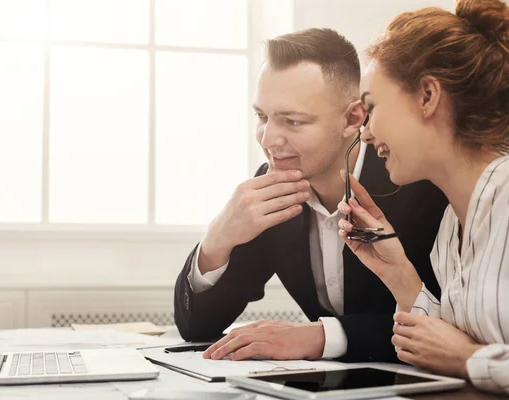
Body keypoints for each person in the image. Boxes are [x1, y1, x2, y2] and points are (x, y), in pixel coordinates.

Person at [173, 28, 448, 363]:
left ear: (352, 118)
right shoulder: (270, 191)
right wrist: (217, 239)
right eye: (262, 117)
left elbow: (445, 324)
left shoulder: (416, 181)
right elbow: (197, 327)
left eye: (292, 121)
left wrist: (322, 336)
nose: (269, 139)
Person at [336, 0, 509, 393]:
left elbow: (460, 352)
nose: (364, 133)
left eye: (372, 108)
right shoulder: (452, 226)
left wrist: (470, 360)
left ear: (428, 95)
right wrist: (396, 270)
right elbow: (445, 342)